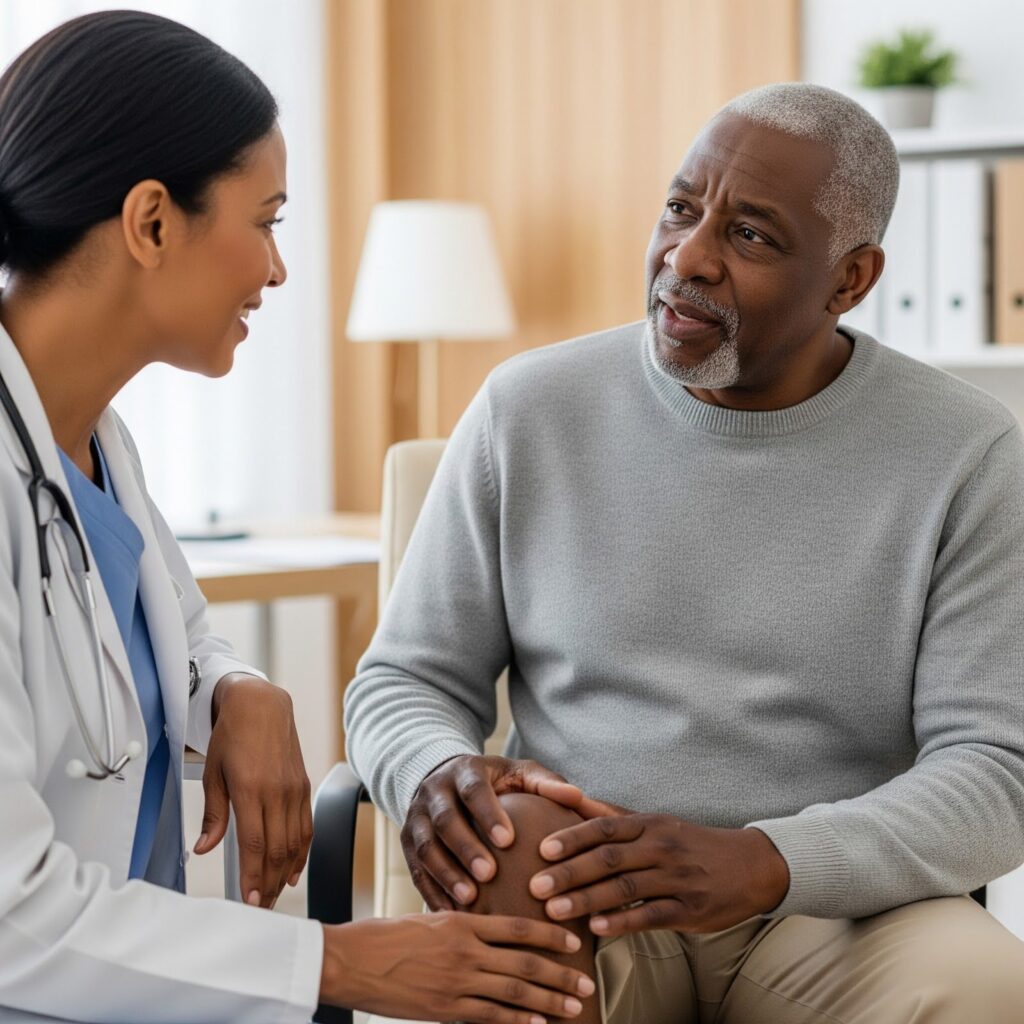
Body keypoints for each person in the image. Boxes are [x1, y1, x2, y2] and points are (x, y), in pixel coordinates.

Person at [345, 82, 1024, 1023]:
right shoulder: (528, 410)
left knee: (987, 988)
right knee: (509, 880)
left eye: (751, 236)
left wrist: (767, 860)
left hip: (832, 911)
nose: (687, 257)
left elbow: (996, 769)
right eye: (679, 208)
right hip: (586, 886)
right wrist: (429, 768)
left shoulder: (970, 453)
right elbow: (403, 680)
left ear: (850, 279)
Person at [0, 12, 593, 1023]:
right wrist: (341, 960)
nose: (277, 271)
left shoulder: (96, 442)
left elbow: (175, 631)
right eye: (266, 220)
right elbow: (12, 923)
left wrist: (240, 686)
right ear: (151, 223)